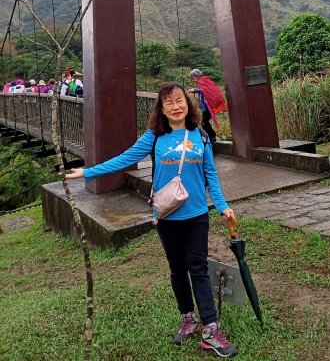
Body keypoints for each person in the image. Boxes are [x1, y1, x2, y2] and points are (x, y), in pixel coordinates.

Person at [67, 82, 237, 357]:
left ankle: (210, 328)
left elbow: (211, 175)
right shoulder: (155, 137)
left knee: (198, 267)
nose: (175, 106)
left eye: (179, 101)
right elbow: (123, 159)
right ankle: (188, 318)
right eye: (168, 103)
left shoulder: (201, 136)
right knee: (177, 269)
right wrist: (88, 172)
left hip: (197, 215)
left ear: (187, 104)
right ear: (161, 108)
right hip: (167, 215)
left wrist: (222, 206)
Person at [188, 70, 228, 144]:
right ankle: (211, 137)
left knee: (204, 122)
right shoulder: (203, 81)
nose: (193, 80)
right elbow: (204, 91)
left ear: (195, 76)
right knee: (204, 122)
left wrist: (194, 90)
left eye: (192, 78)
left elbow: (204, 90)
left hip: (207, 107)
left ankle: (211, 137)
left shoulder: (203, 81)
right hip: (205, 107)